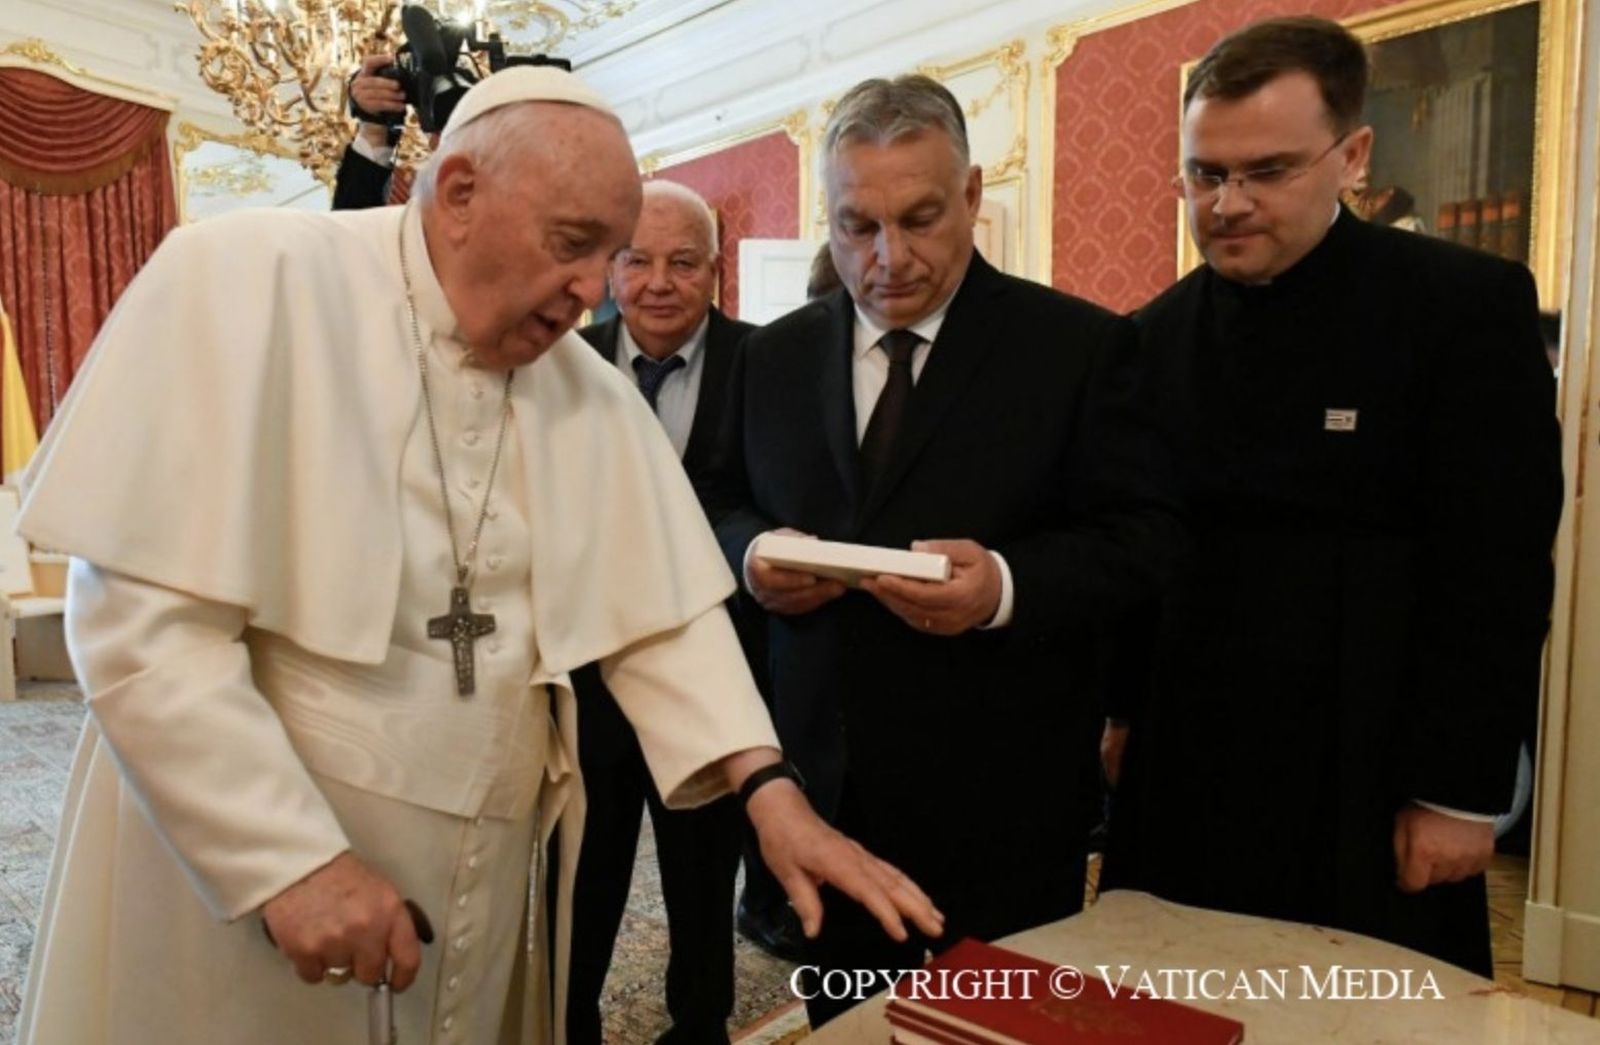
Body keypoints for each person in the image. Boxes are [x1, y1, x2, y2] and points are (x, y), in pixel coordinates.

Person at [14, 66, 942, 1045]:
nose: (594, 290)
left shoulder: (582, 389)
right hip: (248, 854)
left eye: (609, 255)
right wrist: (285, 862)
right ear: (458, 193)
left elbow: (659, 621)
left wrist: (770, 790)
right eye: (573, 245)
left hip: (484, 866)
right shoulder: (248, 276)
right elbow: (142, 621)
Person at [703, 74, 1183, 1027]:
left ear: (970, 195)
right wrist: (754, 556)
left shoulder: (1079, 347)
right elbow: (719, 502)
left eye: (920, 219)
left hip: (1006, 792)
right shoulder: (772, 355)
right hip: (826, 789)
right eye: (857, 226)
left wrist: (1002, 585)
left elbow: (1146, 538)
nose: (888, 258)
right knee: (849, 1025)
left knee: (999, 1027)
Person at [1100, 16, 1562, 977]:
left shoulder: (1463, 307)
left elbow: (1497, 565)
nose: (1226, 204)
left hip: (1375, 765)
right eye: (1204, 173)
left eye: (1266, 171)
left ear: (1352, 156)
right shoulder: (1147, 338)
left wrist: (1458, 793)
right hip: (1191, 757)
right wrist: (1121, 715)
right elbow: (1140, 551)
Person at [564, 179, 753, 1044]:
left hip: (711, 670)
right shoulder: (560, 362)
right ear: (611, 269)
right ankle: (570, 1020)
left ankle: (700, 1025)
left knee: (703, 873)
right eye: (637, 261)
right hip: (588, 674)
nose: (659, 283)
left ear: (715, 270)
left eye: (684, 262)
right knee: (583, 870)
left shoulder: (765, 363)